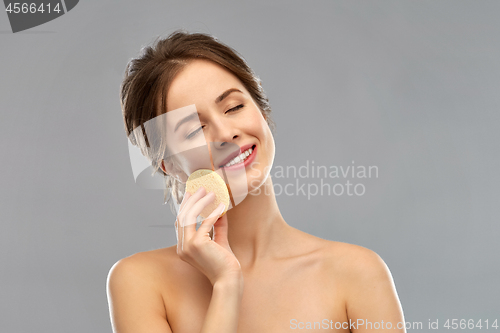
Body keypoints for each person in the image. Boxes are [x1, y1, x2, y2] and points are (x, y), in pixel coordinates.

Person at [107, 30, 406, 333]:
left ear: (262, 111)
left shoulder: (357, 274)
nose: (226, 134)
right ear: (168, 165)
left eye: (234, 107)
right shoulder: (140, 282)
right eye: (195, 129)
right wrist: (226, 287)